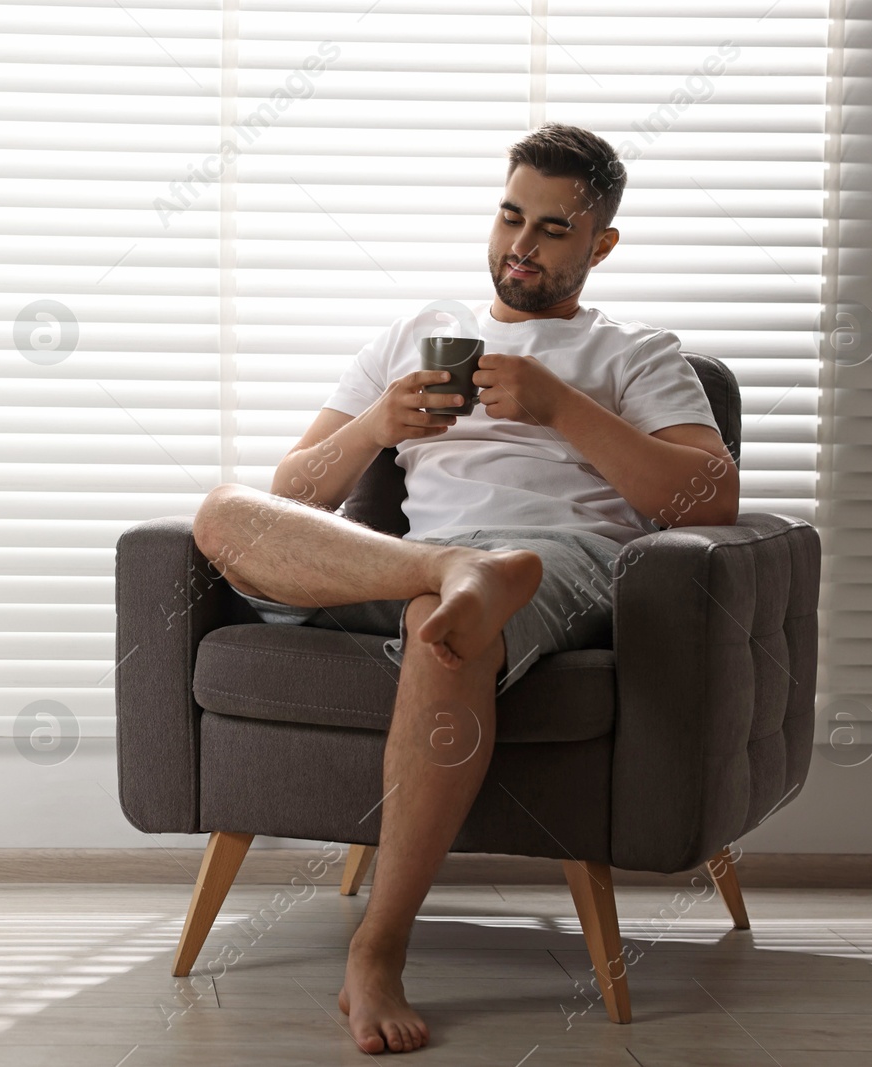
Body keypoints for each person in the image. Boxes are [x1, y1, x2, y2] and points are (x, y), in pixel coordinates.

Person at [190, 122, 740, 1054]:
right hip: (430, 557)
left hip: (556, 562)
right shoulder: (413, 333)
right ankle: (452, 569)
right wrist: (376, 422)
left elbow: (709, 497)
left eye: (553, 229)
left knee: (443, 626)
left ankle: (378, 947)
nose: (520, 247)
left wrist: (561, 405)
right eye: (509, 215)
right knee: (222, 511)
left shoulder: (637, 355)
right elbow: (298, 491)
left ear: (600, 244)